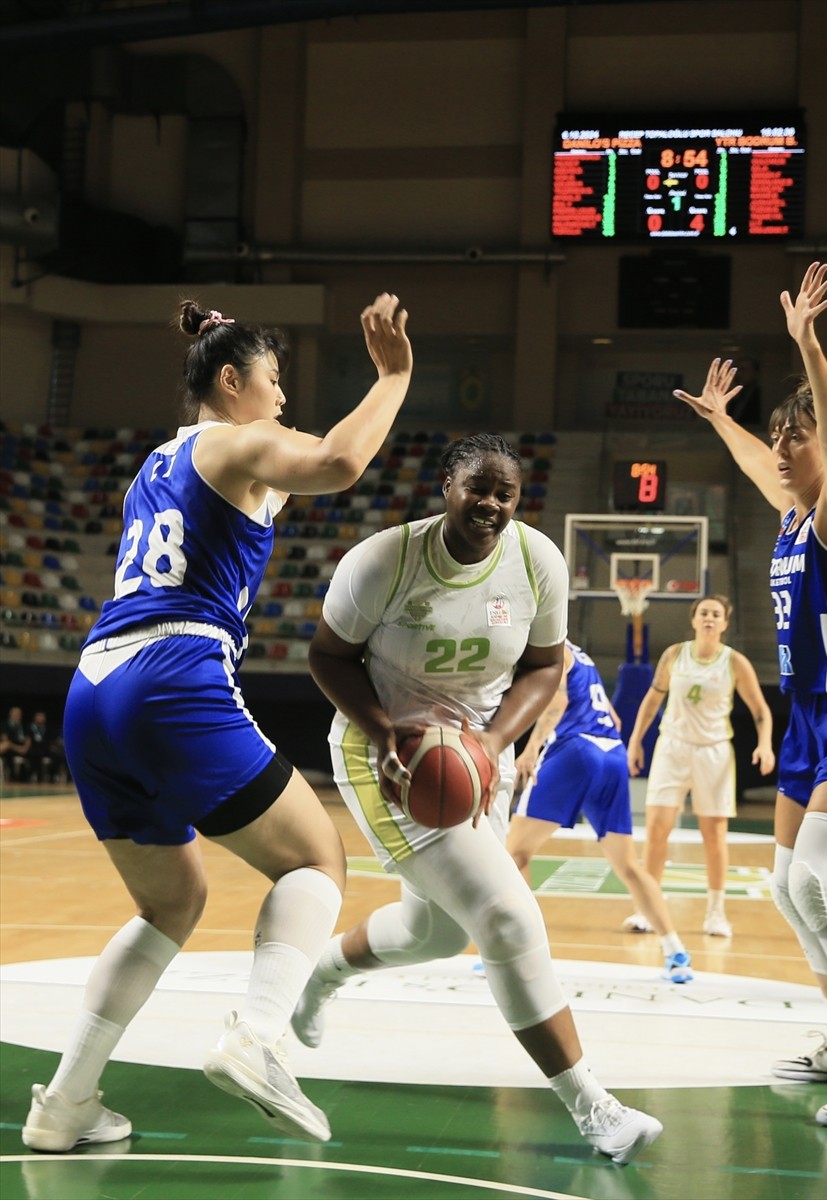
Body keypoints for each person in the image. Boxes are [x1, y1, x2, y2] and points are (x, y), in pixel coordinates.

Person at [21, 293, 413, 1153]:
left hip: (92, 686)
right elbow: (343, 461)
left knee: (172, 901)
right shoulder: (237, 442)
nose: (281, 399)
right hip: (171, 673)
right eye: (272, 381)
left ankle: (65, 1103)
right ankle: (258, 1037)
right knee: (316, 857)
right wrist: (392, 378)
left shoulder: (153, 465)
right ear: (231, 382)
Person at [291, 433, 663, 1166]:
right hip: (385, 758)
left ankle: (321, 975)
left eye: (505, 493)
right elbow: (327, 658)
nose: (490, 504)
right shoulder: (381, 561)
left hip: (475, 757)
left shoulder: (536, 562)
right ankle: (596, 1110)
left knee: (434, 934)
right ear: (447, 487)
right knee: (505, 914)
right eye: (477, 488)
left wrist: (492, 746)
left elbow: (543, 667)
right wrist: (387, 732)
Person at [676, 262, 827, 1130]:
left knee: (819, 885)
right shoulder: (787, 513)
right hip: (809, 719)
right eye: (780, 436)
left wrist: (807, 345)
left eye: (797, 436)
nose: (782, 448)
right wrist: (723, 421)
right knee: (786, 887)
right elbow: (758, 465)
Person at [506, 640, 694, 984]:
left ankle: (520, 954)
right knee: (628, 866)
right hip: (611, 755)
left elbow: (559, 700)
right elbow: (616, 717)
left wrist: (531, 748)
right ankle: (675, 951)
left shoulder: (552, 648)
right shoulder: (584, 657)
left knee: (515, 855)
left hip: (576, 749)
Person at [623, 594, 775, 939]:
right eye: (703, 612)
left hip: (714, 752)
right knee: (657, 829)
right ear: (694, 620)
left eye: (716, 614)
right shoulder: (674, 654)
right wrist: (634, 741)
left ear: (724, 623)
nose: (709, 618)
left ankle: (716, 913)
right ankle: (647, 910)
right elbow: (652, 699)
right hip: (672, 747)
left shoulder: (735, 662)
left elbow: (761, 710)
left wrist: (765, 744)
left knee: (714, 834)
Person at [26, 711, 64, 784]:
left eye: (42, 717)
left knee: (57, 755)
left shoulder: (47, 729)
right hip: (34, 748)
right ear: (35, 718)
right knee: (35, 754)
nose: (40, 718)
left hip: (46, 749)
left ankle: (53, 775)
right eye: (39, 716)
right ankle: (35, 775)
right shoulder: (30, 728)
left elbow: (52, 741)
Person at [2, 705, 32, 782]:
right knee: (9, 754)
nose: (17, 715)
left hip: (23, 748)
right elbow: (6, 740)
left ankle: (27, 778)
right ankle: (12, 778)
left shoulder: (24, 726)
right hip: (12, 748)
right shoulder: (5, 725)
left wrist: (25, 748)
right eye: (15, 714)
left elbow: (28, 739)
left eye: (18, 714)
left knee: (34, 753)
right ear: (10, 714)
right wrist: (18, 749)